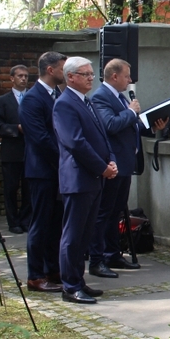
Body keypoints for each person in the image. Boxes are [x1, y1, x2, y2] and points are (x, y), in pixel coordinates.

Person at [89, 58, 163, 278]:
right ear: (114, 76)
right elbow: (110, 125)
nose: (130, 80)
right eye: (127, 76)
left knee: (116, 212)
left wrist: (152, 125)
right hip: (111, 164)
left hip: (125, 164)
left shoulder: (120, 97)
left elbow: (131, 127)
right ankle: (97, 258)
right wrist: (131, 112)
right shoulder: (100, 97)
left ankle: (113, 254)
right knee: (103, 213)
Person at [53, 56, 117, 304]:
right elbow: (76, 143)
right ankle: (70, 286)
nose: (92, 78)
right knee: (73, 235)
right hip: (79, 179)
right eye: (86, 74)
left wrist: (110, 160)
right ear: (71, 77)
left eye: (92, 74)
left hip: (95, 178)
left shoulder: (86, 101)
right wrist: (102, 168)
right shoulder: (64, 104)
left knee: (86, 234)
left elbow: (101, 137)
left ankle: (79, 281)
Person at [18, 52, 66, 293]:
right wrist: (64, 159)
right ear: (50, 70)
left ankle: (52, 268)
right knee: (40, 223)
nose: (65, 73)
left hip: (58, 171)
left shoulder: (57, 94)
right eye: (62, 68)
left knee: (55, 223)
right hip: (42, 170)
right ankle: (35, 275)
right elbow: (41, 138)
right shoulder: (32, 99)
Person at [0, 64, 31, 234]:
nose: (23, 79)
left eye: (26, 76)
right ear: (12, 78)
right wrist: (16, 129)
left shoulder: (32, 98)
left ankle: (26, 219)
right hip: (12, 151)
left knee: (29, 188)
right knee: (11, 188)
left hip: (30, 151)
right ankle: (13, 221)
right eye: (20, 76)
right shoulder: (2, 101)